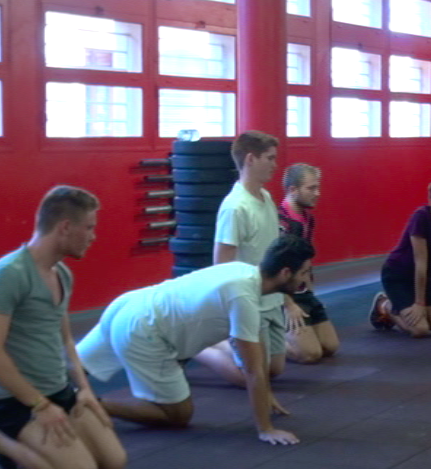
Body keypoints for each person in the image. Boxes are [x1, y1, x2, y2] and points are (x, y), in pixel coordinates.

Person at [0, 186, 126, 469]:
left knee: (113, 465)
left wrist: (83, 390)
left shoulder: (62, 274)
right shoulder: (8, 275)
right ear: (65, 228)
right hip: (15, 401)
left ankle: (43, 433)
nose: (93, 236)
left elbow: (67, 340)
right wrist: (40, 405)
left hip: (59, 391)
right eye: (89, 228)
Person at [77, 234, 315, 445]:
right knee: (178, 415)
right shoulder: (244, 298)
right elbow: (254, 370)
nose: (305, 280)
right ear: (285, 273)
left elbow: (250, 355)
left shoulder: (243, 271)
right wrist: (266, 429)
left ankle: (54, 400)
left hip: (131, 304)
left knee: (73, 367)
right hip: (144, 330)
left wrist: (265, 395)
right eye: (303, 272)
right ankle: (95, 405)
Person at [197, 130, 300, 384]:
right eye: (270, 158)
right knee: (253, 378)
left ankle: (232, 348)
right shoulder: (235, 207)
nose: (275, 165)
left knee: (275, 369)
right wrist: (236, 307)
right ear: (251, 159)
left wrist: (287, 300)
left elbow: (275, 252)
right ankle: (200, 348)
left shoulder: (265, 197)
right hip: (248, 300)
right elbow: (221, 264)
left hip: (271, 297)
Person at [368, 178, 431, 338]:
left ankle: (421, 311)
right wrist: (419, 303)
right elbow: (420, 263)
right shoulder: (420, 218)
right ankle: (384, 305)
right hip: (398, 275)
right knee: (419, 330)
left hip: (426, 278)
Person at [278, 163, 339, 363]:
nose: (317, 193)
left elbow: (306, 261)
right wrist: (288, 305)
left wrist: (312, 296)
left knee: (330, 347)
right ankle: (265, 339)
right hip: (283, 297)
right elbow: (275, 269)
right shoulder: (281, 222)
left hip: (304, 293)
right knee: (310, 354)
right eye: (311, 188)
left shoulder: (307, 219)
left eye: (317, 187)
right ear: (293, 190)